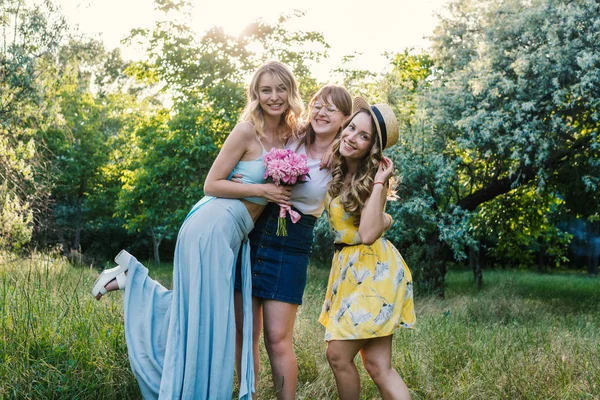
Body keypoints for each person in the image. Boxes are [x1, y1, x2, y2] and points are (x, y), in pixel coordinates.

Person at [90, 60, 303, 400]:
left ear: (291, 91)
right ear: (256, 94)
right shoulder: (246, 130)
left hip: (233, 231)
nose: (274, 96)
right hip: (212, 225)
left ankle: (133, 279)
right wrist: (261, 190)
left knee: (201, 309)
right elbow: (211, 184)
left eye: (281, 89)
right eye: (266, 90)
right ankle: (138, 285)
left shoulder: (292, 134)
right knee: (207, 313)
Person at [231, 84, 352, 399]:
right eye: (318, 105)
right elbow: (258, 150)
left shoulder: (344, 161)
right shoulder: (292, 135)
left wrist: (339, 149)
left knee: (277, 338)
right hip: (255, 231)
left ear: (344, 120)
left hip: (293, 244)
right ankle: (249, 396)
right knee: (245, 333)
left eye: (332, 109)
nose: (322, 113)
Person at [319, 97, 416, 400]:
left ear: (372, 147)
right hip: (351, 270)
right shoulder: (336, 166)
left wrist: (380, 185)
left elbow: (369, 232)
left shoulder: (374, 179)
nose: (352, 137)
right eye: (351, 128)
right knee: (377, 366)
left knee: (337, 355)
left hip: (374, 270)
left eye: (364, 136)